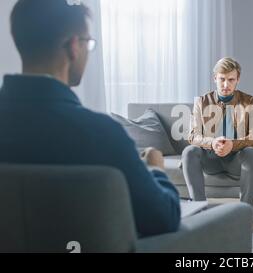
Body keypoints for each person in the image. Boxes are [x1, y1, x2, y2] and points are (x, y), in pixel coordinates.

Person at [0, 0, 180, 238]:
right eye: (88, 43)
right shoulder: (102, 134)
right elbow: (162, 218)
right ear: (74, 46)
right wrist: (156, 170)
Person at [182, 57, 253, 205]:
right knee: (189, 151)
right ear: (214, 78)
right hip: (211, 159)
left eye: (231, 80)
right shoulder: (201, 101)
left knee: (252, 152)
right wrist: (212, 143)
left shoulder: (249, 101)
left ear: (238, 79)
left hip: (236, 160)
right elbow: (193, 136)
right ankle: (199, 209)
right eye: (222, 79)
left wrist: (232, 144)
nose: (226, 84)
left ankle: (245, 211)